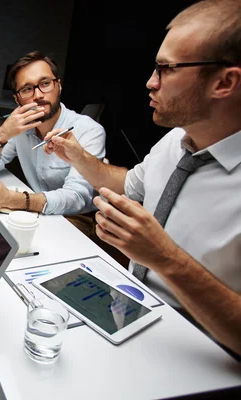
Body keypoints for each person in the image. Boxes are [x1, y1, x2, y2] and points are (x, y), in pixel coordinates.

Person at [43, 0, 240, 357]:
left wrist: (166, 258)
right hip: (134, 315)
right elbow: (130, 185)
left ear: (225, 82)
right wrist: (78, 156)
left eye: (166, 69)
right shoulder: (175, 140)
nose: (150, 83)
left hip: (206, 358)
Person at [0, 51, 105, 233]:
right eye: (27, 89)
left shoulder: (88, 130)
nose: (38, 95)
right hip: (33, 211)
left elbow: (76, 197)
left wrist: (14, 200)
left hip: (74, 218)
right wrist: (1, 135)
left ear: (58, 86)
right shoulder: (21, 127)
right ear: (17, 99)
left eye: (45, 84)